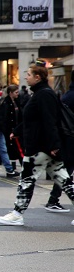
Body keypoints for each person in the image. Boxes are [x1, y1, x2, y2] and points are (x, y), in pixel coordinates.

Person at [0, 64, 74, 226]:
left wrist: (54, 145)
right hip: (44, 146)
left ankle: (17, 213)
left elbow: (49, 121)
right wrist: (17, 131)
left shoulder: (44, 95)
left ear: (37, 77)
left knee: (26, 179)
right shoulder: (40, 94)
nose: (26, 77)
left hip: (40, 146)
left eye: (29, 74)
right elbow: (32, 119)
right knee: (65, 181)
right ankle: (17, 213)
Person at [44, 81, 74, 213]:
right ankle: (53, 199)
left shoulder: (67, 95)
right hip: (70, 139)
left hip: (67, 139)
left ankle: (53, 199)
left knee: (65, 170)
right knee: (65, 171)